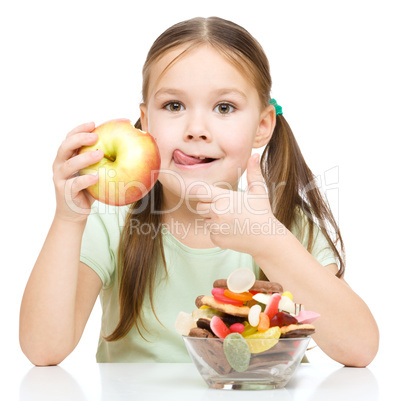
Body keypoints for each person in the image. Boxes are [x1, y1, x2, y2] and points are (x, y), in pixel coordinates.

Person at [20, 16, 379, 367]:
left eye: (224, 108)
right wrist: (69, 219)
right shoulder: (113, 221)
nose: (196, 129)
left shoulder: (283, 221)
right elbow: (44, 350)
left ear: (262, 125)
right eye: (173, 106)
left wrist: (267, 242)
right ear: (145, 122)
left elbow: (359, 348)